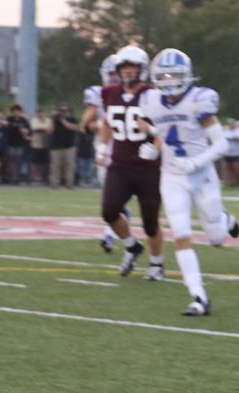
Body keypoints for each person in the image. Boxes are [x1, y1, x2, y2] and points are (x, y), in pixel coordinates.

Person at [139, 48, 239, 316]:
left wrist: (195, 163)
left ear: (187, 76)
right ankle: (198, 297)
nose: (170, 80)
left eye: (175, 75)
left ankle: (224, 220)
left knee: (216, 238)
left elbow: (221, 144)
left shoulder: (200, 100)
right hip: (171, 176)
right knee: (180, 233)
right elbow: (163, 132)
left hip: (202, 173)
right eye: (164, 75)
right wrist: (152, 146)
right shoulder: (151, 100)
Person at [97, 45, 165, 280]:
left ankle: (157, 263)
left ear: (142, 69)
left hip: (148, 168)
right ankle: (132, 246)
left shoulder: (153, 94)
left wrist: (155, 148)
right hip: (120, 165)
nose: (127, 71)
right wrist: (103, 148)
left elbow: (166, 129)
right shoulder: (109, 93)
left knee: (150, 222)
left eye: (132, 67)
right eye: (123, 67)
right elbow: (106, 123)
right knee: (109, 211)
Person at [81, 55, 123, 251]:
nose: (115, 78)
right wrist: (100, 125)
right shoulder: (97, 93)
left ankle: (109, 233)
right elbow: (86, 123)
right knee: (108, 192)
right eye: (112, 74)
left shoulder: (134, 93)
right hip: (105, 147)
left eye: (118, 73)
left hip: (127, 147)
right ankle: (117, 222)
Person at [48, 102, 81, 189]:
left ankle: (69, 185)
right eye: (61, 110)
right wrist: (53, 119)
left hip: (69, 146)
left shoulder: (72, 119)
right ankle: (54, 185)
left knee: (69, 166)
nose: (62, 112)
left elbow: (75, 128)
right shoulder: (55, 119)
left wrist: (63, 120)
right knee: (55, 166)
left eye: (64, 110)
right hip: (56, 146)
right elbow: (50, 130)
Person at [0, 103, 30, 184]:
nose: (16, 112)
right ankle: (12, 177)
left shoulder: (24, 120)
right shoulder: (9, 119)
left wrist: (25, 131)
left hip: (20, 143)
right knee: (11, 160)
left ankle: (17, 177)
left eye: (18, 111)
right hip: (11, 142)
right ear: (12, 111)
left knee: (18, 160)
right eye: (14, 111)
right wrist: (13, 125)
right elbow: (4, 125)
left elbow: (28, 130)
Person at [221, 119, 239, 186]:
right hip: (227, 152)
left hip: (236, 152)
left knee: (236, 167)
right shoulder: (225, 131)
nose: (231, 125)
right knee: (228, 167)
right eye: (230, 124)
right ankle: (231, 182)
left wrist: (235, 138)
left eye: (232, 124)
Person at [30, 109, 50, 183]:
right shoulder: (34, 120)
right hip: (36, 145)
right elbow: (35, 128)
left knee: (44, 163)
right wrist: (43, 129)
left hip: (45, 145)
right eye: (38, 113)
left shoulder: (48, 120)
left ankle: (43, 178)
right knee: (35, 163)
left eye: (41, 113)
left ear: (43, 113)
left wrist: (41, 128)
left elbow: (49, 129)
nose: (40, 115)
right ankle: (35, 178)